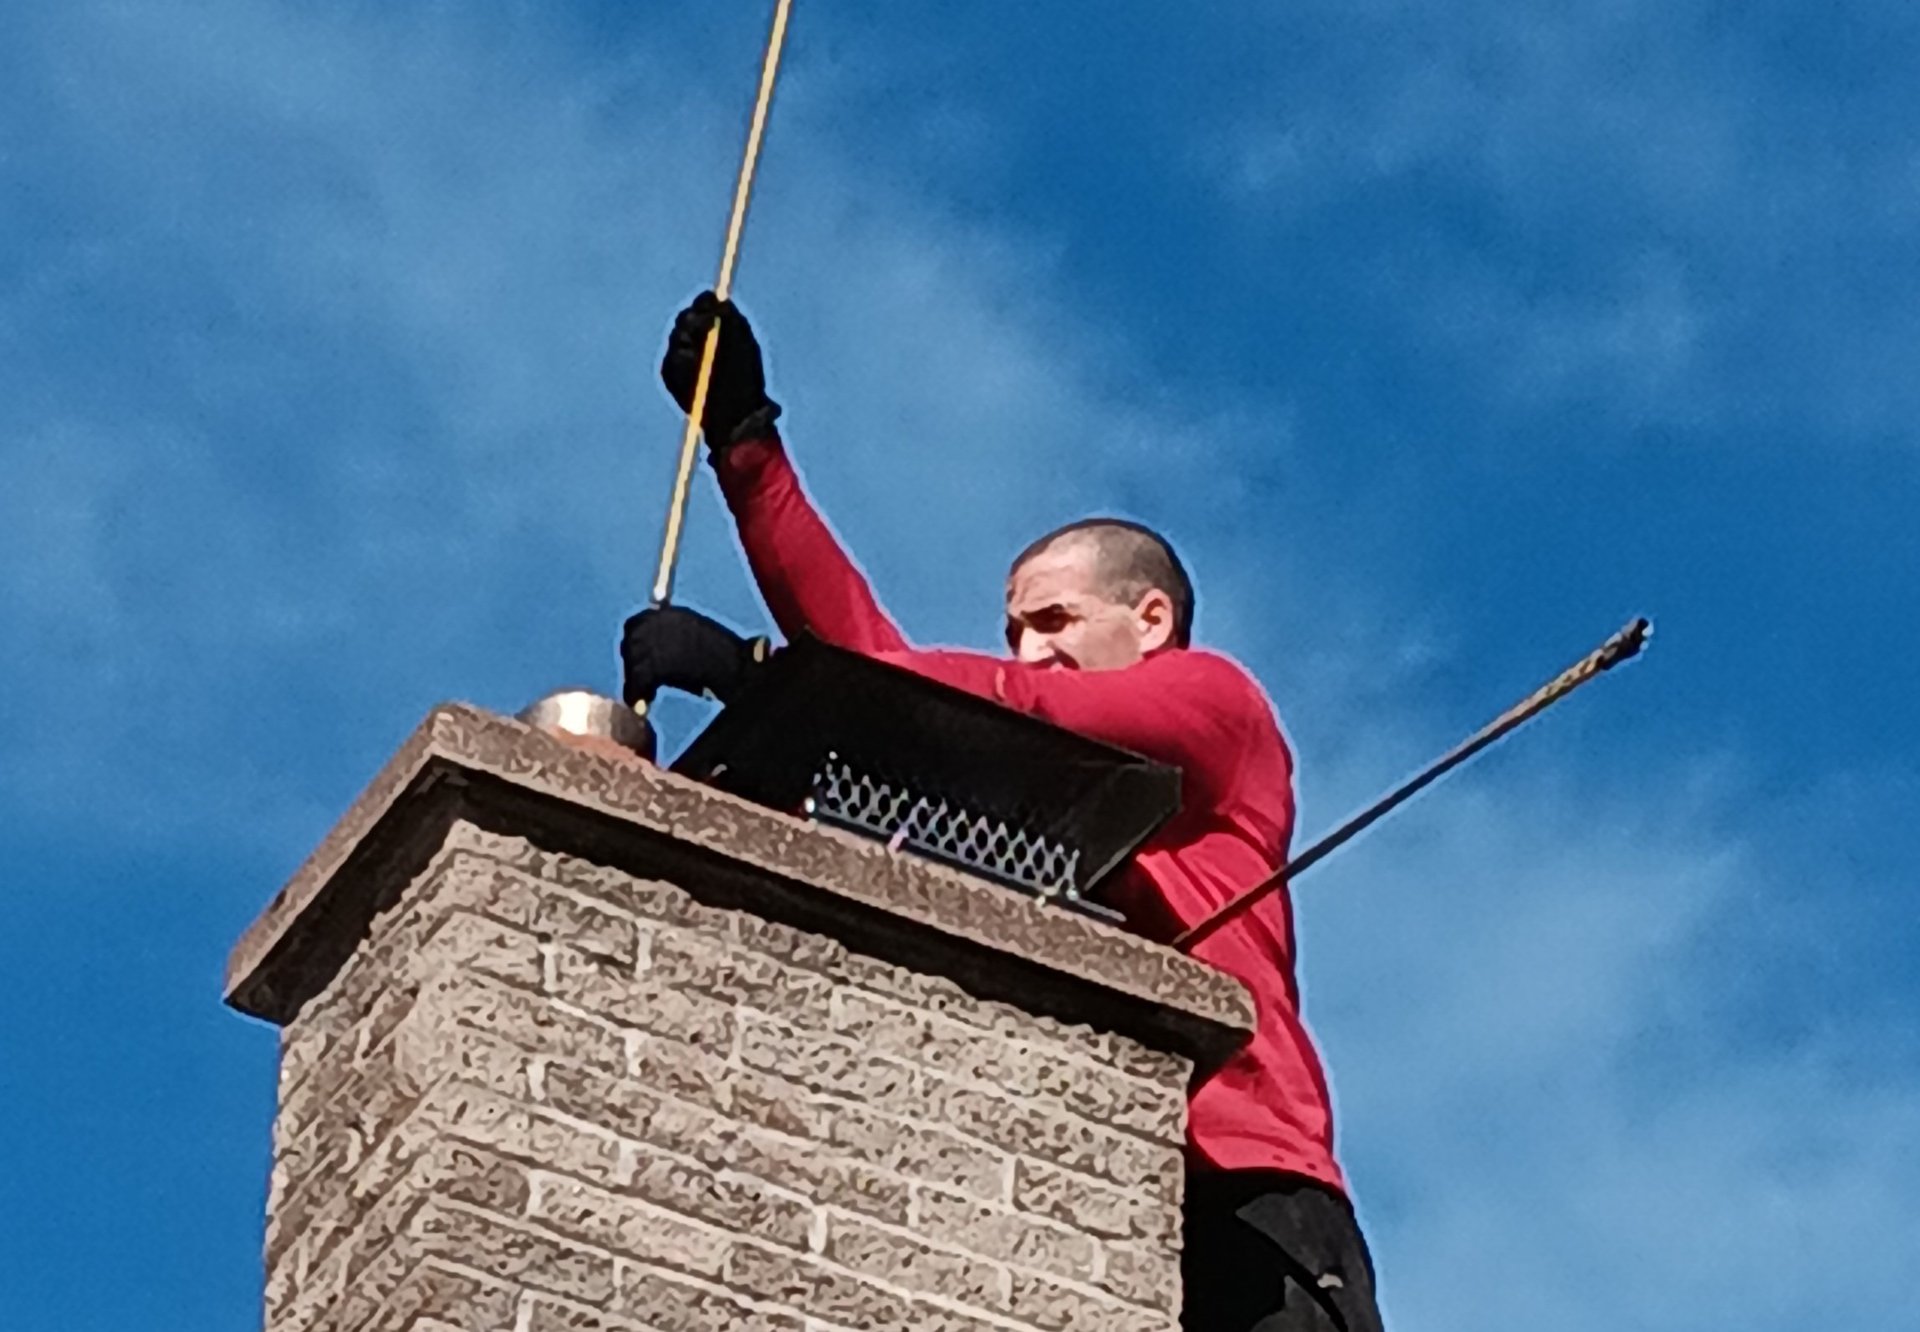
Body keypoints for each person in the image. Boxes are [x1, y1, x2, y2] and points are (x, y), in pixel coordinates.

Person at [621, 292, 1385, 1332]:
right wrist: (747, 445)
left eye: (1056, 620)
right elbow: (895, 687)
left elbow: (976, 707)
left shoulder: (1217, 705)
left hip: (1243, 1177)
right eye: (1015, 630)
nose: (1030, 651)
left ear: (1150, 619)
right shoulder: (1023, 776)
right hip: (1077, 1156)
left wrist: (770, 678)